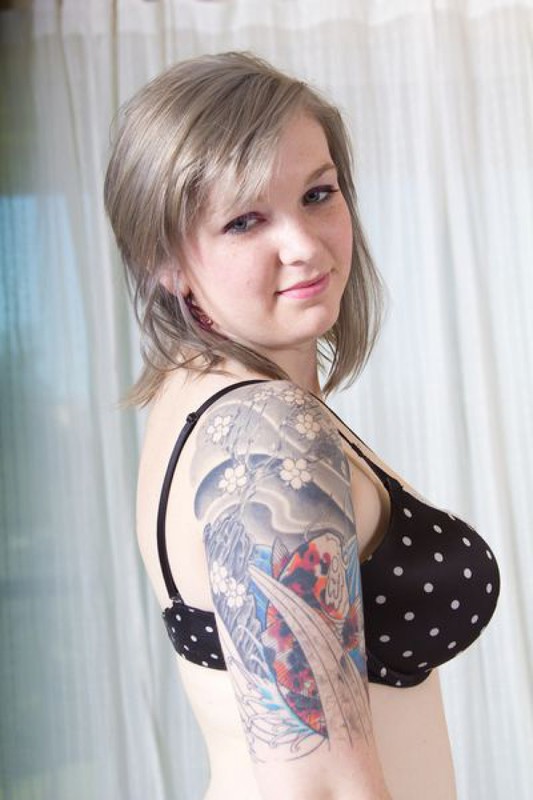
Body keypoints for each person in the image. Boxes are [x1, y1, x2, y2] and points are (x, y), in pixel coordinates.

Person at [104, 51, 500, 800]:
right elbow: (319, 790)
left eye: (318, 194)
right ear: (165, 261)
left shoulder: (202, 394)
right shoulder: (262, 431)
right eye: (244, 220)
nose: (305, 245)